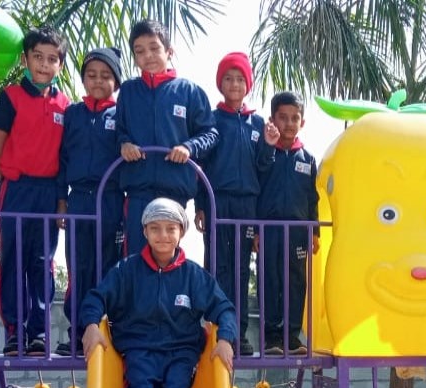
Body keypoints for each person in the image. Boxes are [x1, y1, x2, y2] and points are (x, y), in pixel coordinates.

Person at [80, 199, 237, 388]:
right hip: (140, 349)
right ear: (144, 232)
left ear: (181, 232)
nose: (163, 235)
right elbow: (96, 297)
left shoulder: (193, 275)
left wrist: (226, 339)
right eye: (155, 229)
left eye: (170, 229)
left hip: (181, 352)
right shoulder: (128, 270)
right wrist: (90, 325)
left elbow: (224, 308)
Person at [195, 52, 280, 356]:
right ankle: (218, 330)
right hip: (217, 201)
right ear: (220, 84)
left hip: (247, 205)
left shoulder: (258, 123)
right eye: (228, 79)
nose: (234, 84)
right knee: (217, 265)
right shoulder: (211, 120)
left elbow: (263, 167)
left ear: (248, 85)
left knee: (242, 269)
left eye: (240, 79)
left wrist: (269, 145)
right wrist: (200, 205)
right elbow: (201, 165)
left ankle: (239, 334)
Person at [0, 27, 69, 356]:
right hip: (17, 187)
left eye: (52, 59)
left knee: (43, 261)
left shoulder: (65, 105)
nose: (44, 64)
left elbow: (65, 157)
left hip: (48, 191)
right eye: (38, 57)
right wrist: (4, 182)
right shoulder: (10, 97)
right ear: (25, 59)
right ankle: (14, 331)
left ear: (60, 65)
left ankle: (38, 331)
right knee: (14, 258)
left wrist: (61, 200)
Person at [115, 19, 218, 257]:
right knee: (136, 258)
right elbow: (119, 131)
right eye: (140, 51)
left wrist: (188, 147)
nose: (148, 56)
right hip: (137, 190)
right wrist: (124, 144)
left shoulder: (189, 91)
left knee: (168, 255)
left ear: (169, 52)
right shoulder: (128, 91)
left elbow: (210, 133)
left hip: (174, 189)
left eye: (154, 48)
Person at [56, 46, 125, 356]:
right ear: (83, 79)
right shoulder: (73, 114)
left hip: (110, 199)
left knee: (108, 265)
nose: (98, 81)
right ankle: (78, 332)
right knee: (78, 266)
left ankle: (105, 329)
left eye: (106, 76)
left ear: (116, 82)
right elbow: (61, 159)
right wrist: (61, 199)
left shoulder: (121, 115)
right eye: (92, 75)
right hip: (79, 200)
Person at [257, 91, 319, 355]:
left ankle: (292, 336)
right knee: (269, 279)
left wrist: (314, 232)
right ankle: (271, 337)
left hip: (297, 232)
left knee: (296, 281)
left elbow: (312, 198)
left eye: (295, 118)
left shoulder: (307, 159)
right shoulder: (264, 154)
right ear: (272, 120)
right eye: (283, 118)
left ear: (302, 122)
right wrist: (255, 230)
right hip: (268, 229)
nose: (289, 123)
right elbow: (256, 190)